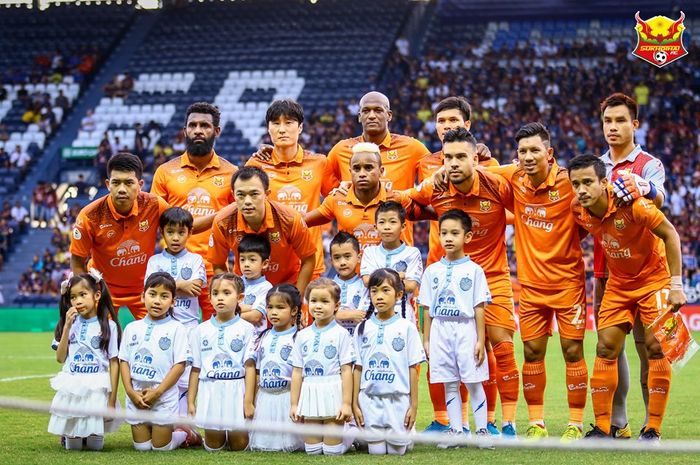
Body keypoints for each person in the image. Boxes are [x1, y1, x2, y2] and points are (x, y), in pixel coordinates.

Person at [396, 128, 520, 437]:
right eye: (448, 157)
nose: (453, 163)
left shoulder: (496, 184)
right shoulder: (437, 185)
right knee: (451, 355)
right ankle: (457, 424)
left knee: (502, 348)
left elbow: (525, 203)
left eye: (461, 156)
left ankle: (508, 424)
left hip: (493, 277)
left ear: (475, 158)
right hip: (451, 282)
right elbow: (402, 202)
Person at [568, 154, 686, 442]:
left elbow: (671, 235)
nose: (581, 190)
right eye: (576, 184)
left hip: (654, 280)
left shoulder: (633, 204)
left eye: (587, 182)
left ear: (604, 182)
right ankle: (604, 428)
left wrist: (677, 284)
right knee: (605, 347)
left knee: (657, 348)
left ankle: (652, 430)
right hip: (619, 284)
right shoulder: (578, 209)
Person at [490, 123, 588, 441]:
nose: (528, 157)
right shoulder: (514, 178)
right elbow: (480, 171)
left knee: (573, 350)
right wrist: (480, 155)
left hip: (568, 284)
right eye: (522, 151)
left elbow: (594, 206)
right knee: (532, 351)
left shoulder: (571, 182)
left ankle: (574, 423)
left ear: (550, 153)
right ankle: (537, 423)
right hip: (531, 286)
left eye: (535, 150)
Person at [594, 93, 667, 439]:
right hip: (609, 271)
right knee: (609, 346)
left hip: (650, 273)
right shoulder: (596, 166)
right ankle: (616, 422)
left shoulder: (649, 164)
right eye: (608, 121)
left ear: (634, 124)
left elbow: (660, 197)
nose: (613, 127)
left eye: (620, 120)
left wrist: (646, 186)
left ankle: (651, 427)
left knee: (650, 347)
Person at [151, 102, 237, 322]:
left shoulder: (232, 173)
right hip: (174, 268)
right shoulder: (165, 172)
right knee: (172, 336)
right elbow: (157, 220)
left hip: (215, 267)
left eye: (205, 125)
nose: (198, 130)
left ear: (216, 131)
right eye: (193, 125)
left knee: (217, 331)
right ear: (185, 131)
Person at [419, 210, 492, 448]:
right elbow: (427, 308)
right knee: (449, 382)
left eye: (454, 233)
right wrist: (427, 339)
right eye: (444, 233)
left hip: (465, 329)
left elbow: (479, 306)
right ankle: (457, 431)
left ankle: (482, 431)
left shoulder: (475, 270)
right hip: (440, 329)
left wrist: (480, 340)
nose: (448, 238)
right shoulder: (432, 271)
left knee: (473, 380)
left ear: (467, 237)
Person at [70, 153, 170, 319]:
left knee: (156, 339)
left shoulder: (155, 205)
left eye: (129, 182)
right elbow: (77, 260)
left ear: (140, 185)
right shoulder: (89, 215)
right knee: (101, 341)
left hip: (145, 289)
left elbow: (182, 229)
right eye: (116, 183)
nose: (122, 189)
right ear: (108, 184)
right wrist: (85, 293)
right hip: (103, 289)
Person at [246, 99, 338, 280]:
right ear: (268, 128)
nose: (282, 129)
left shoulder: (319, 163)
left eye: (288, 123)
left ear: (300, 127)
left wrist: (313, 220)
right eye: (276, 123)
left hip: (309, 263)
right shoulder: (256, 164)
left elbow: (337, 200)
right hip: (267, 265)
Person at [324, 91, 431, 244]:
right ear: (359, 116)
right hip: (352, 256)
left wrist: (405, 196)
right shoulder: (340, 150)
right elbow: (328, 191)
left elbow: (434, 181)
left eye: (378, 110)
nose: (372, 115)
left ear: (389, 115)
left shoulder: (412, 148)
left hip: (397, 253)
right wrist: (338, 190)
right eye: (366, 111)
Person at [144, 207, 206, 439]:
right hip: (161, 328)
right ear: (162, 233)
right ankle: (159, 420)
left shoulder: (196, 259)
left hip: (188, 328)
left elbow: (196, 287)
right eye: (171, 232)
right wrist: (180, 284)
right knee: (160, 374)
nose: (176, 238)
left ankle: (183, 425)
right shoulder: (154, 260)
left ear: (189, 233)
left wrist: (168, 285)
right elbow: (151, 287)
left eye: (181, 232)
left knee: (184, 378)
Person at [208, 166, 316, 297]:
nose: (247, 201)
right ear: (233, 195)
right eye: (240, 195)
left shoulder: (290, 219)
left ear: (267, 193)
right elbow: (218, 264)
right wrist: (231, 294)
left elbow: (308, 259)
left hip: (286, 289)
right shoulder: (222, 222)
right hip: (246, 292)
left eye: (254, 194)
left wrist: (296, 298)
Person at [352, 268, 425, 456]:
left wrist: (413, 406)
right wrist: (354, 404)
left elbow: (413, 369)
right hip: (369, 400)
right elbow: (357, 368)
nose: (379, 296)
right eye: (374, 291)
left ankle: (408, 435)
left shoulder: (407, 328)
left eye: (386, 290)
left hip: (398, 400)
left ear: (399, 294)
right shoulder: (362, 328)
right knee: (376, 452)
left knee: (396, 452)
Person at [118, 272, 193, 451]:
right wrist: (130, 392)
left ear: (173, 301)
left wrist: (157, 392)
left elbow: (180, 365)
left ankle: (184, 434)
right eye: (152, 294)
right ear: (143, 296)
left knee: (161, 448)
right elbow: (124, 361)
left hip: (163, 397)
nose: (157, 301)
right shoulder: (131, 328)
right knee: (142, 448)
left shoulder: (177, 328)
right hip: (136, 396)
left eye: (164, 296)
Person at [48, 271, 122, 451]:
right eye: (73, 297)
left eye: (83, 295)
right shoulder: (68, 323)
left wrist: (111, 401)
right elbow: (59, 358)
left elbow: (114, 363)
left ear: (96, 295)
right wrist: (66, 326)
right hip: (73, 385)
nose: (78, 301)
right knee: (73, 447)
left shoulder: (109, 326)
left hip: (97, 386)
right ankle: (69, 436)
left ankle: (90, 435)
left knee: (95, 446)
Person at [187, 273, 255, 452]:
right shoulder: (199, 331)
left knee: (239, 446)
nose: (220, 298)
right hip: (210, 389)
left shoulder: (247, 329)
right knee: (213, 447)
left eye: (226, 293)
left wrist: (248, 401)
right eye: (215, 293)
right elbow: (195, 368)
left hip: (236, 389)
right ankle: (196, 437)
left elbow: (249, 368)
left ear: (239, 297)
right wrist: (191, 401)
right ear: (209, 298)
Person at [305, 143, 414, 252]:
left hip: (387, 269)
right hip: (351, 269)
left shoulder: (397, 199)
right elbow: (301, 222)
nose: (362, 174)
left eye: (368, 168)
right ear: (350, 172)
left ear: (381, 171)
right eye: (357, 168)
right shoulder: (336, 199)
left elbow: (429, 211)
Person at [290, 278, 355, 455]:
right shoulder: (302, 335)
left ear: (336, 305)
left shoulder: (342, 334)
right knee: (312, 451)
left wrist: (346, 404)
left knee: (331, 451)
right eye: (314, 301)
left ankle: (350, 434)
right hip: (310, 391)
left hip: (333, 391)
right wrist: (295, 404)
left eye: (324, 301)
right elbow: (297, 371)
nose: (318, 306)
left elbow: (346, 370)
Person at [244, 284, 304, 452]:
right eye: (270, 307)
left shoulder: (299, 337)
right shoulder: (261, 336)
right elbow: (256, 371)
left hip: (287, 397)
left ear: (293, 310)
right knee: (264, 444)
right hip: (265, 398)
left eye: (280, 307)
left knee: (290, 444)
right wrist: (250, 401)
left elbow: (301, 374)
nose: (273, 312)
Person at [360, 201, 423, 324]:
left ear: (403, 226)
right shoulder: (369, 252)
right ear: (375, 227)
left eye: (393, 222)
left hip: (402, 313)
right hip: (373, 312)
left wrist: (378, 277)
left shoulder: (412, 253)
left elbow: (410, 286)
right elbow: (368, 281)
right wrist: (398, 276)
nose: (387, 227)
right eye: (382, 222)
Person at [330, 232, 370, 335]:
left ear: (359, 257)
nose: (342, 262)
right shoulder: (327, 287)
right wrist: (348, 314)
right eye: (337, 258)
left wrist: (335, 314)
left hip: (359, 340)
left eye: (347, 256)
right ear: (331, 260)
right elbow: (321, 313)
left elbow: (364, 314)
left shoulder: (365, 286)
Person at [237, 234, 273, 331]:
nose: (246, 264)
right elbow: (225, 307)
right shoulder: (234, 283)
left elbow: (255, 316)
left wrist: (231, 315)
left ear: (265, 264)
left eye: (252, 260)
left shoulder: (266, 287)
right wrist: (251, 307)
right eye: (242, 259)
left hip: (255, 339)